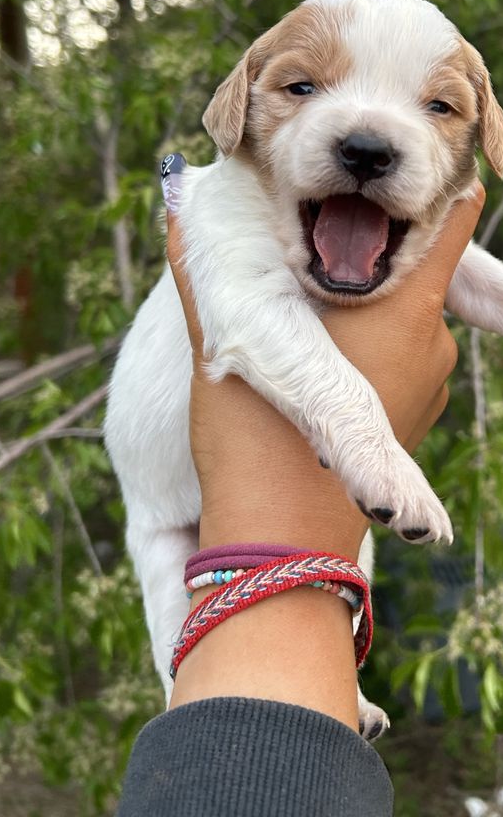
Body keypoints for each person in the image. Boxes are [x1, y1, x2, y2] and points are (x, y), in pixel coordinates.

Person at [116, 162, 484, 817]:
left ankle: (320, 671)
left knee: (346, 530)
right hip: (166, 495)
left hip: (251, 706)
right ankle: (305, 668)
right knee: (172, 619)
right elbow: (249, 318)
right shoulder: (251, 208)